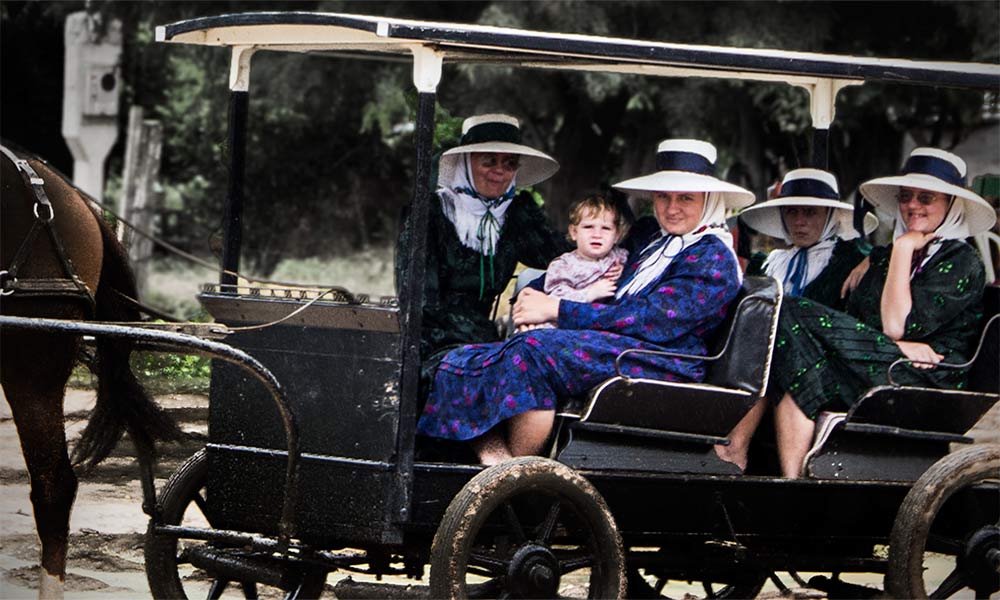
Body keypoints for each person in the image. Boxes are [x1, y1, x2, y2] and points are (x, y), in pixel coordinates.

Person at [416, 139, 755, 464]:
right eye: (663, 196)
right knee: (463, 354)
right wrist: (536, 299)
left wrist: (559, 310)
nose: (671, 208)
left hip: (664, 359)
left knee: (534, 350)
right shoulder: (652, 238)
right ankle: (494, 457)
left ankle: (514, 473)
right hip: (626, 343)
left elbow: (652, 321)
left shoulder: (713, 257)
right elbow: (588, 265)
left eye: (686, 198)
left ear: (709, 199)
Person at [717, 147, 996, 478]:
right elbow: (866, 322)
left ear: (951, 205)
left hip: (927, 374)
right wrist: (888, 256)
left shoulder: (962, 261)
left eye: (926, 198)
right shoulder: (882, 257)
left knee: (784, 307)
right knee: (800, 365)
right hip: (884, 361)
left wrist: (903, 249)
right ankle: (791, 483)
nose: (912, 206)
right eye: (907, 197)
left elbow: (895, 326)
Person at [396, 113, 571, 384]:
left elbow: (561, 256)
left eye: (509, 163)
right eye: (489, 161)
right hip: (431, 340)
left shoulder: (516, 215)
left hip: (485, 339)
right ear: (467, 163)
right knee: (486, 376)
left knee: (535, 372)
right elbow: (419, 302)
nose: (499, 170)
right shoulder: (430, 213)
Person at [740, 168, 878, 307]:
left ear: (830, 215)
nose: (799, 221)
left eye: (810, 212)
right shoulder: (766, 266)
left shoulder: (853, 262)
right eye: (792, 211)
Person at [526, 195, 629, 330]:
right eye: (588, 227)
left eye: (605, 228)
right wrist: (589, 293)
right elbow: (556, 296)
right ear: (574, 232)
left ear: (616, 236)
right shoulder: (563, 265)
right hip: (559, 323)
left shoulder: (619, 256)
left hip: (598, 323)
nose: (597, 234)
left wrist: (622, 269)